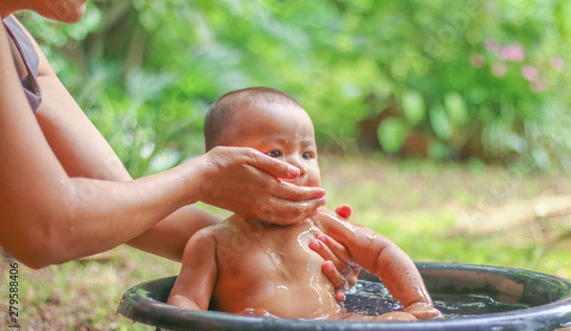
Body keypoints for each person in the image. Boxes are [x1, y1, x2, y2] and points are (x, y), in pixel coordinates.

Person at [0, 1, 357, 296]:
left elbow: (116, 196)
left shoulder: (13, 38)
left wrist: (288, 250)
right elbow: (47, 229)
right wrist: (203, 176)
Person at [168, 87, 442, 321]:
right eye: (275, 152)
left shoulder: (321, 224)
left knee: (397, 322)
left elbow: (382, 252)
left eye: (308, 154)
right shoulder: (212, 243)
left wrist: (417, 303)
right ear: (226, 169)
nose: (298, 166)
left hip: (337, 329)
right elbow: (187, 301)